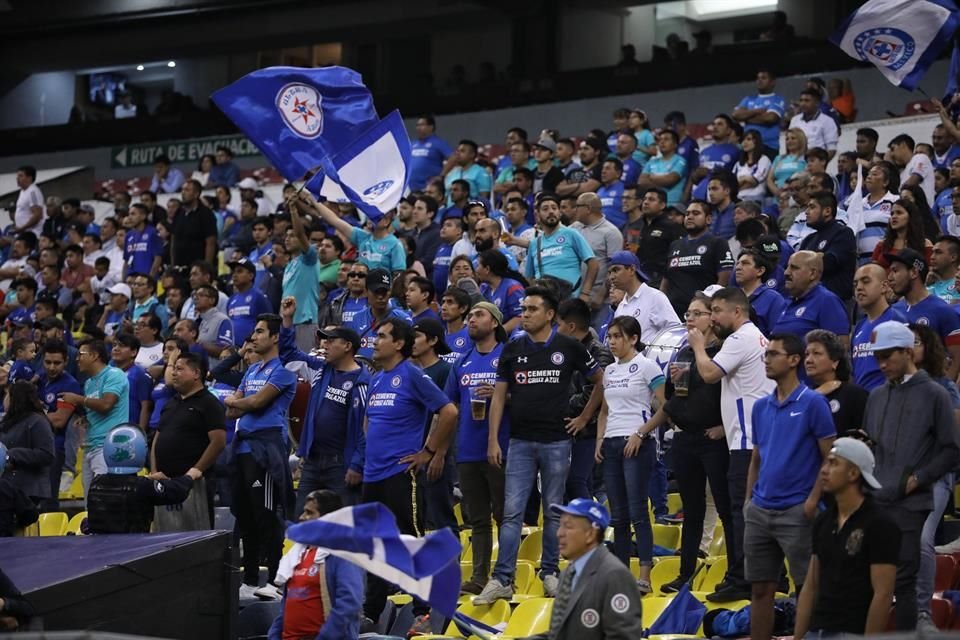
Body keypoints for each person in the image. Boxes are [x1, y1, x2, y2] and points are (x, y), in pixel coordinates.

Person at [475, 286, 602, 604]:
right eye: (524, 309)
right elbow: (500, 395)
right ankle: (502, 579)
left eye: (532, 309)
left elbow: (600, 380)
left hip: (557, 441)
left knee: (553, 512)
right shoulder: (512, 349)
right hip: (519, 441)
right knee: (512, 513)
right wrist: (493, 438)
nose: (526, 314)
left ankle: (550, 573)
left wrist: (584, 418)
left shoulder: (569, 347)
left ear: (549, 314)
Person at [361, 318, 457, 627]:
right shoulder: (377, 378)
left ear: (399, 344)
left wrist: (428, 451)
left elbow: (449, 411)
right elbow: (369, 421)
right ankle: (370, 611)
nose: (375, 341)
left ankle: (423, 612)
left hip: (400, 474)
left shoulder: (412, 375)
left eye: (382, 336)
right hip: (372, 475)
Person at [745, 332, 835, 640]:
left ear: (794, 360)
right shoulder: (760, 407)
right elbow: (756, 457)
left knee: (806, 588)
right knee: (760, 589)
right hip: (760, 509)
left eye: (773, 354)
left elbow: (830, 458)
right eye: (766, 354)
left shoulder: (813, 404)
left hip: (797, 510)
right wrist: (748, 501)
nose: (766, 359)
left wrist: (812, 501)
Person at [688, 287, 774, 602]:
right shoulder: (757, 337)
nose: (712, 317)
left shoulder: (739, 339)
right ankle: (762, 577)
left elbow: (709, 373)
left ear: (736, 312)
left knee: (741, 512)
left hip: (746, 442)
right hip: (755, 437)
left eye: (717, 311)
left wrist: (699, 347)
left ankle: (743, 579)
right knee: (752, 512)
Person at [793, 438, 899, 637]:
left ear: (853, 473)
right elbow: (811, 586)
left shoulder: (880, 524)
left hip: (851, 631)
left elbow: (883, 594)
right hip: (817, 630)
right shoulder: (824, 521)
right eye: (826, 462)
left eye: (833, 463)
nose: (824, 470)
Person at [224, 314, 298, 599]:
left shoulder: (282, 372)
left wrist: (236, 401)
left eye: (260, 332)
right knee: (245, 516)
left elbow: (254, 402)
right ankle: (252, 578)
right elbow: (233, 411)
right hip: (241, 449)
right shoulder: (251, 371)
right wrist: (238, 403)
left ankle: (276, 580)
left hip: (266, 450)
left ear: (275, 337)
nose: (254, 337)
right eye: (254, 332)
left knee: (266, 515)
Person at [593, 315, 663, 592]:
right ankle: (621, 576)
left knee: (637, 511)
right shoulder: (609, 371)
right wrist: (600, 438)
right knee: (618, 516)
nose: (611, 342)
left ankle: (644, 574)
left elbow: (666, 406)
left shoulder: (647, 366)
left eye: (617, 336)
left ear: (633, 339)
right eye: (609, 336)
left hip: (636, 443)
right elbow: (604, 411)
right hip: (611, 442)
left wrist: (641, 433)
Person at [445, 301, 510, 594]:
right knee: (478, 518)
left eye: (478, 314)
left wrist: (501, 397)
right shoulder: (462, 362)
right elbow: (450, 407)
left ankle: (506, 576)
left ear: (494, 322)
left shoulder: (506, 356)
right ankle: (480, 576)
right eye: (469, 315)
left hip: (501, 447)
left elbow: (523, 397)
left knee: (506, 514)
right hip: (468, 449)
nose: (471, 319)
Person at [520, 499, 643, 640]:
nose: (559, 533)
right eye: (560, 526)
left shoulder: (615, 575)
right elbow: (560, 635)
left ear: (590, 534)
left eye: (568, 526)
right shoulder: (568, 572)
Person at [266, 489, 365, 640]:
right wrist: (273, 636)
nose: (301, 518)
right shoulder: (297, 554)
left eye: (309, 513)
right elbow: (286, 606)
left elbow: (350, 604)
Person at [149, 352, 226, 531]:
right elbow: (157, 439)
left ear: (196, 374)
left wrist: (196, 470)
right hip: (164, 481)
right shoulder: (171, 403)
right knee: (165, 535)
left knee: (195, 536)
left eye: (180, 369)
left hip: (193, 483)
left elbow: (218, 441)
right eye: (173, 368)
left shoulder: (209, 403)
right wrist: (154, 471)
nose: (174, 373)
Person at [557, 298, 613, 503]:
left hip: (590, 428)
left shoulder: (598, 351)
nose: (556, 329)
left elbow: (598, 389)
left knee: (576, 482)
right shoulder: (565, 349)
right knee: (571, 484)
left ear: (571, 326)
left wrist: (565, 405)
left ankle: (593, 530)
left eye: (559, 324)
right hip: (571, 428)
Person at [59, 340, 130, 499]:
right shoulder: (89, 383)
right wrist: (86, 418)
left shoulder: (114, 374)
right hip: (90, 448)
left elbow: (106, 404)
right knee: (90, 502)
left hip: (108, 447)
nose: (77, 359)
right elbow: (98, 409)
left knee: (104, 499)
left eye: (81, 355)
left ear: (95, 356)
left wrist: (79, 400)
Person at [888, 248, 960, 380]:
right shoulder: (892, 311)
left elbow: (957, 358)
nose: (890, 278)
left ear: (914, 272)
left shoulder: (942, 310)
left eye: (895, 271)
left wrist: (946, 393)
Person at [661, 199, 733, 317]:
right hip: (671, 314)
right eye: (687, 214)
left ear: (708, 219)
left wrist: (710, 307)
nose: (689, 217)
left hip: (701, 313)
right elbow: (665, 281)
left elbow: (724, 279)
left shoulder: (718, 243)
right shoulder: (675, 245)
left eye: (695, 213)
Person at [524, 195, 599, 299]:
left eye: (554, 208)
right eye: (545, 209)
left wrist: (585, 293)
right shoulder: (535, 243)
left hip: (571, 299)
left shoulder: (571, 234)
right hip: (546, 303)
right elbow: (528, 276)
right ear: (537, 215)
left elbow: (593, 263)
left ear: (559, 213)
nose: (551, 211)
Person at [771, 251, 850, 349]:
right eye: (787, 267)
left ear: (812, 274)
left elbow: (840, 348)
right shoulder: (789, 302)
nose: (786, 272)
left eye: (794, 268)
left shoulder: (827, 301)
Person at [0, 381, 55, 506]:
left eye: (7, 395)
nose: (5, 399)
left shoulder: (38, 421)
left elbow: (47, 454)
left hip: (29, 490)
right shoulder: (6, 423)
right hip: (8, 487)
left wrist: (13, 454)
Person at [608, 250, 680, 344]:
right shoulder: (621, 307)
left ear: (632, 269)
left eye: (616, 270)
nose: (611, 277)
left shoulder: (654, 297)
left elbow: (676, 331)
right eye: (609, 272)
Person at [804, 330, 868, 434]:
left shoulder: (854, 395)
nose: (808, 360)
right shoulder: (802, 395)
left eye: (816, 353)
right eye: (806, 354)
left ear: (835, 362)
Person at [281, 197, 323, 352]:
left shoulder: (309, 258)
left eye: (292, 235)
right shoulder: (290, 265)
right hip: (288, 323)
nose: (287, 239)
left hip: (305, 323)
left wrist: (293, 209)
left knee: (305, 370)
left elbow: (300, 233)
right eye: (286, 236)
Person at [799, 192, 856, 302]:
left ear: (827, 211)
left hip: (836, 301)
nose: (806, 212)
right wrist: (818, 257)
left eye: (812, 207)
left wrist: (811, 261)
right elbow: (797, 266)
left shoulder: (843, 233)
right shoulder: (808, 239)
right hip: (808, 301)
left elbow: (828, 263)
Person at [733, 69, 787, 155]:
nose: (759, 80)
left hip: (769, 146)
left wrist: (746, 117)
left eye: (763, 78)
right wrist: (758, 111)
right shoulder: (748, 99)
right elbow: (736, 115)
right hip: (748, 146)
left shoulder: (778, 99)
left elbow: (770, 118)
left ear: (773, 82)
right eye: (758, 78)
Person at [735, 248, 785, 337]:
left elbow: (777, 335)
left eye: (745, 263)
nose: (738, 267)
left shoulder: (773, 299)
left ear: (760, 271)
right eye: (738, 263)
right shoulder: (732, 297)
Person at [870, 199, 933, 269]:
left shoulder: (924, 244)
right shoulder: (882, 244)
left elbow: (930, 272)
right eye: (892, 214)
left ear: (911, 216)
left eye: (899, 213)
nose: (894, 217)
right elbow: (873, 271)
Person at [170, 179, 218, 267]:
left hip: (197, 266)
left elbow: (210, 242)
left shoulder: (206, 214)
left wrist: (207, 267)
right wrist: (173, 264)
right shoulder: (179, 212)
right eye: (182, 190)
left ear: (196, 194)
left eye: (187, 190)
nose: (183, 193)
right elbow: (173, 239)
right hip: (179, 266)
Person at [227, 258, 273, 346]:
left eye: (239, 271)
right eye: (234, 272)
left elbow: (270, 324)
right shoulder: (231, 300)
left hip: (253, 349)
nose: (234, 275)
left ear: (251, 276)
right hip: (234, 350)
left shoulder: (259, 297)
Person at [789, 89, 839, 160]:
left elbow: (831, 149)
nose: (803, 104)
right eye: (801, 100)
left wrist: (820, 164)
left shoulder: (827, 121)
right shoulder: (794, 120)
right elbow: (789, 144)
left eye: (807, 101)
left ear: (817, 103)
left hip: (816, 164)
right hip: (795, 163)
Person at [194, 284, 234, 368]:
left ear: (212, 300)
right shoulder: (198, 321)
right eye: (195, 295)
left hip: (216, 375)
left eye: (201, 295)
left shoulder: (222, 320)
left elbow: (226, 351)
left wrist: (199, 344)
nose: (196, 298)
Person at [14, 166, 46, 236]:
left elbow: (37, 215)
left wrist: (23, 228)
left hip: (32, 233)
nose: (17, 178)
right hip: (23, 232)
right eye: (17, 176)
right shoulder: (23, 191)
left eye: (21, 176)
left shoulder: (33, 192)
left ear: (29, 178)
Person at [928, 235, 960, 303]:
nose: (932, 257)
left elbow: (953, 312)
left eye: (938, 252)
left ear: (953, 257)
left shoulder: (958, 284)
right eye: (932, 252)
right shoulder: (929, 283)